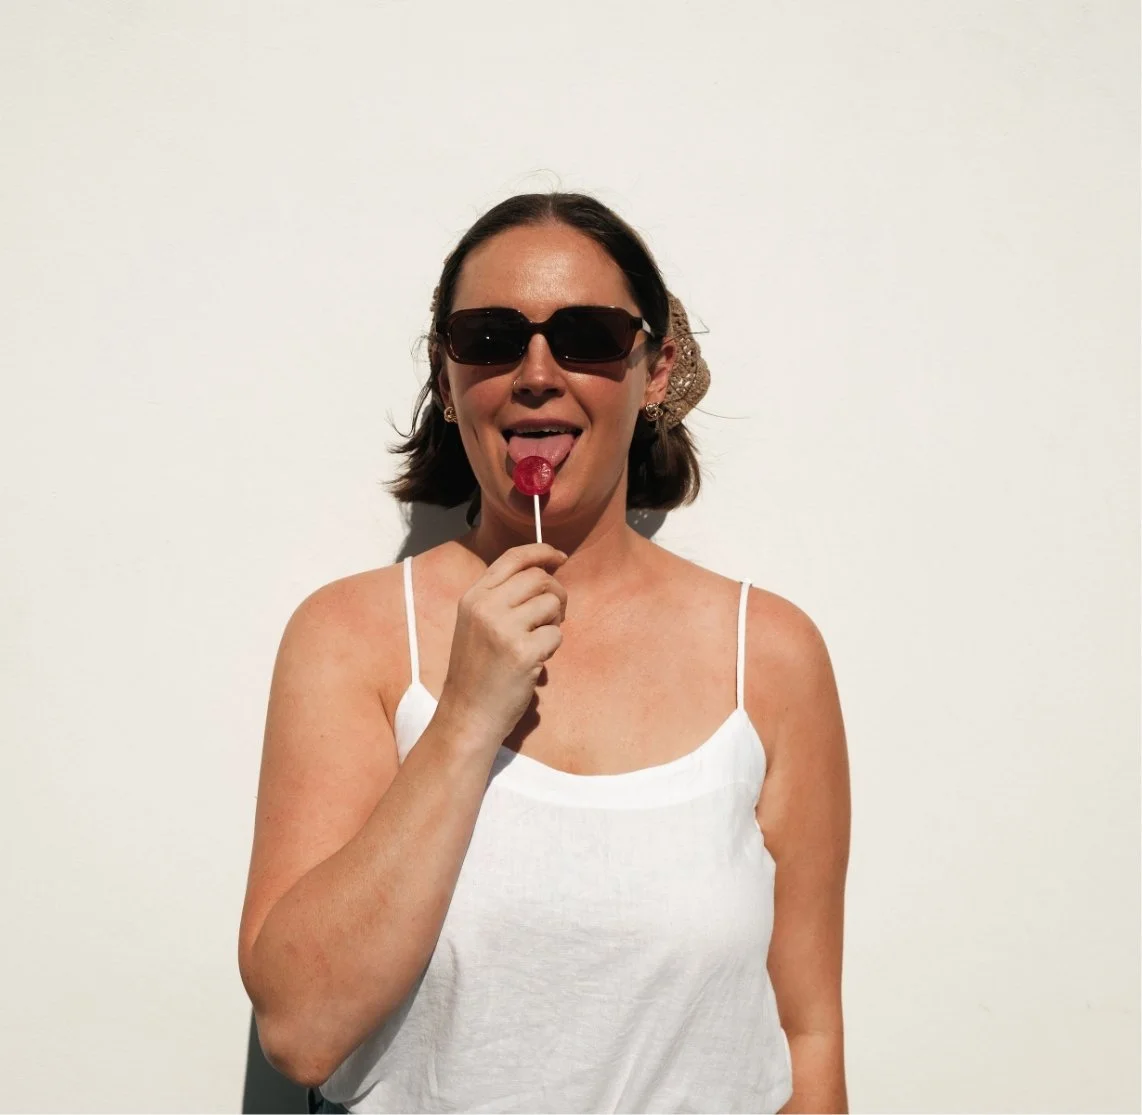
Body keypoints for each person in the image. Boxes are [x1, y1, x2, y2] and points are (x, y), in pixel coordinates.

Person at [238, 191, 851, 1114]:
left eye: (587, 336)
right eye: (489, 338)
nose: (536, 373)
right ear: (447, 376)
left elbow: (807, 1034)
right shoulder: (352, 637)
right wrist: (463, 720)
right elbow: (299, 1028)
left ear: (654, 370)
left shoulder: (766, 654)